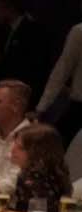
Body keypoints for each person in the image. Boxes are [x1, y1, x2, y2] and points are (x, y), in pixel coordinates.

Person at [0, 124, 72, 212]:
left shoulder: (37, 180)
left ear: (38, 153)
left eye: (20, 148)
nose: (12, 150)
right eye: (14, 144)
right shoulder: (29, 175)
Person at [0, 0, 51, 97]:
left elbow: (35, 68)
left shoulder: (32, 31)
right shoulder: (5, 32)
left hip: (24, 94)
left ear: (9, 8)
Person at [38, 18, 82, 146]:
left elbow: (62, 70)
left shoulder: (79, 31)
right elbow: (62, 70)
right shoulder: (79, 31)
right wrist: (42, 107)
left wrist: (41, 108)